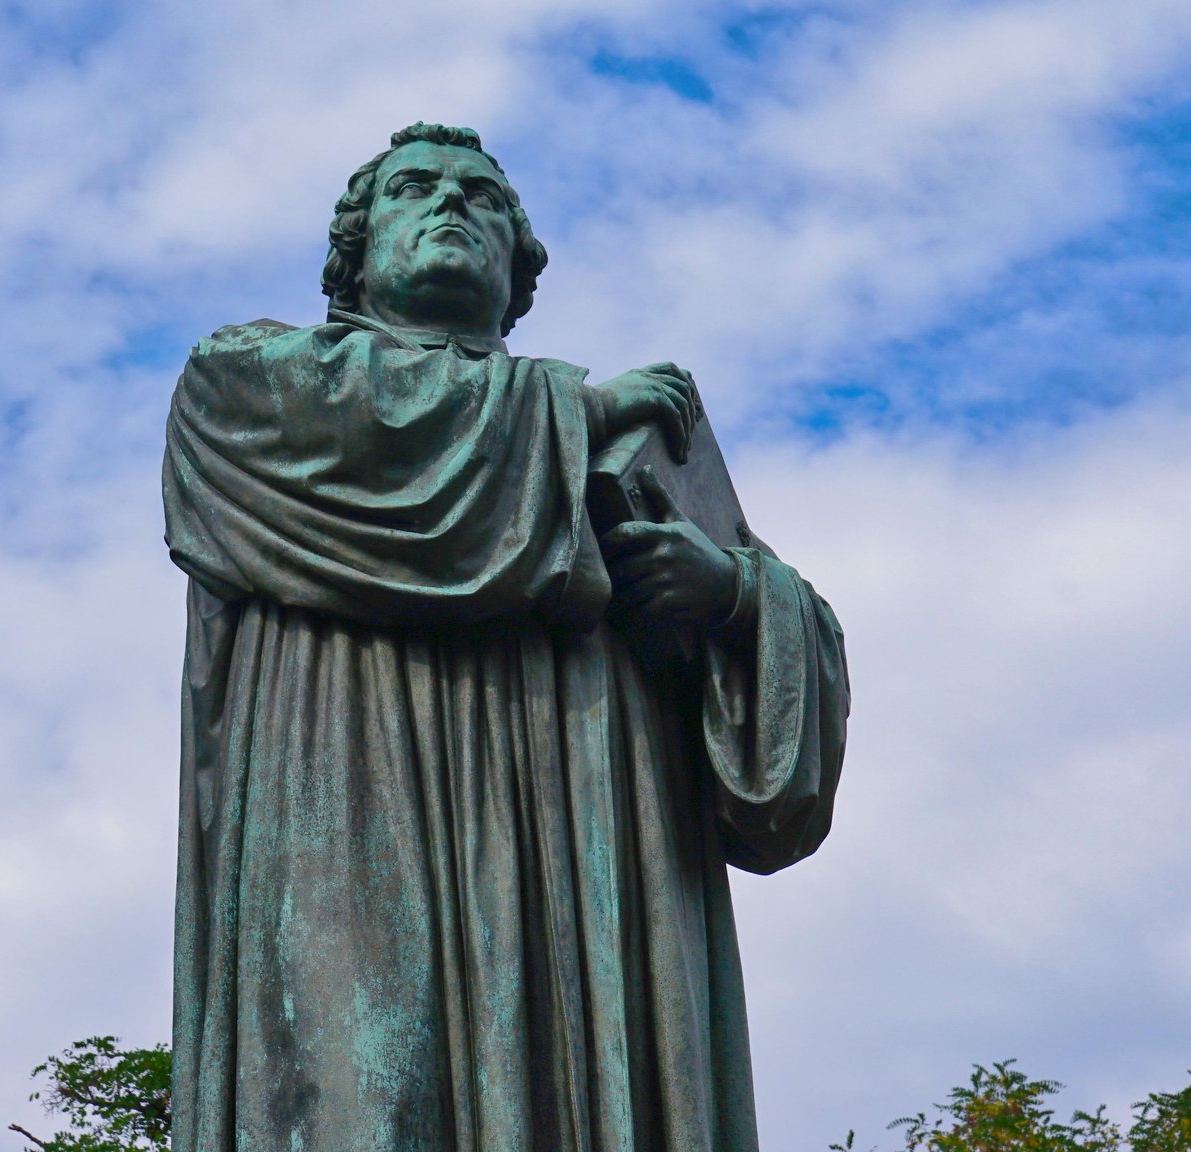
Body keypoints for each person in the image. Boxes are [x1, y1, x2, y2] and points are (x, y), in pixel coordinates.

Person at [161, 122, 849, 1152]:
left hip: (580, 818)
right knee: (358, 1095)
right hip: (352, 778)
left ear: (515, 266)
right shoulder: (248, 383)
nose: (450, 204)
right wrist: (571, 410)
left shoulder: (626, 442)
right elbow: (359, 440)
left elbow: (778, 791)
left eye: (479, 199)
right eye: (413, 190)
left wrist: (733, 595)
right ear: (355, 250)